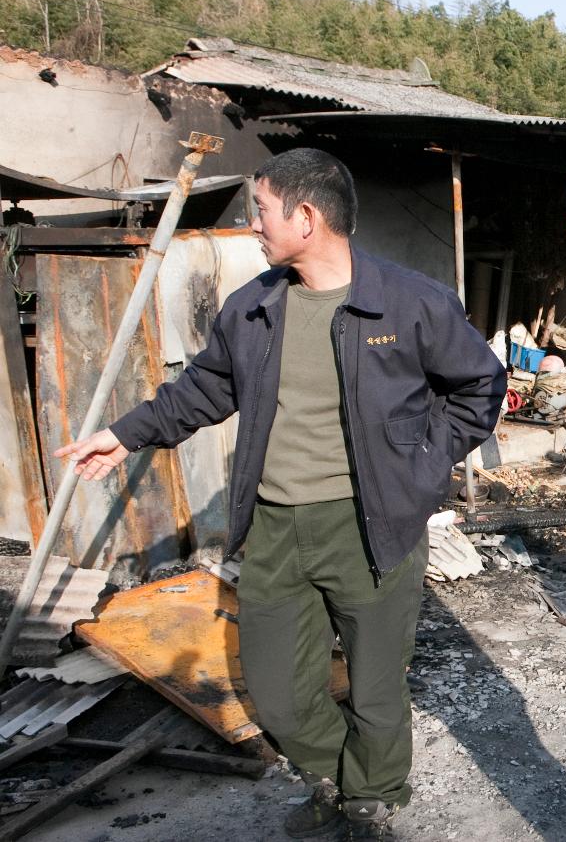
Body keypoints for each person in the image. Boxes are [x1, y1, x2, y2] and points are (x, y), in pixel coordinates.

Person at [55, 148, 506, 840]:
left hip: (372, 524)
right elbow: (204, 389)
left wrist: (424, 463)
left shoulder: (409, 301)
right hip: (274, 527)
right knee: (277, 692)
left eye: (260, 210)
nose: (253, 223)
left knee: (376, 684)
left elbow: (479, 384)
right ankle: (339, 771)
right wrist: (127, 433)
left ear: (306, 215)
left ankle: (368, 800)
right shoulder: (255, 308)